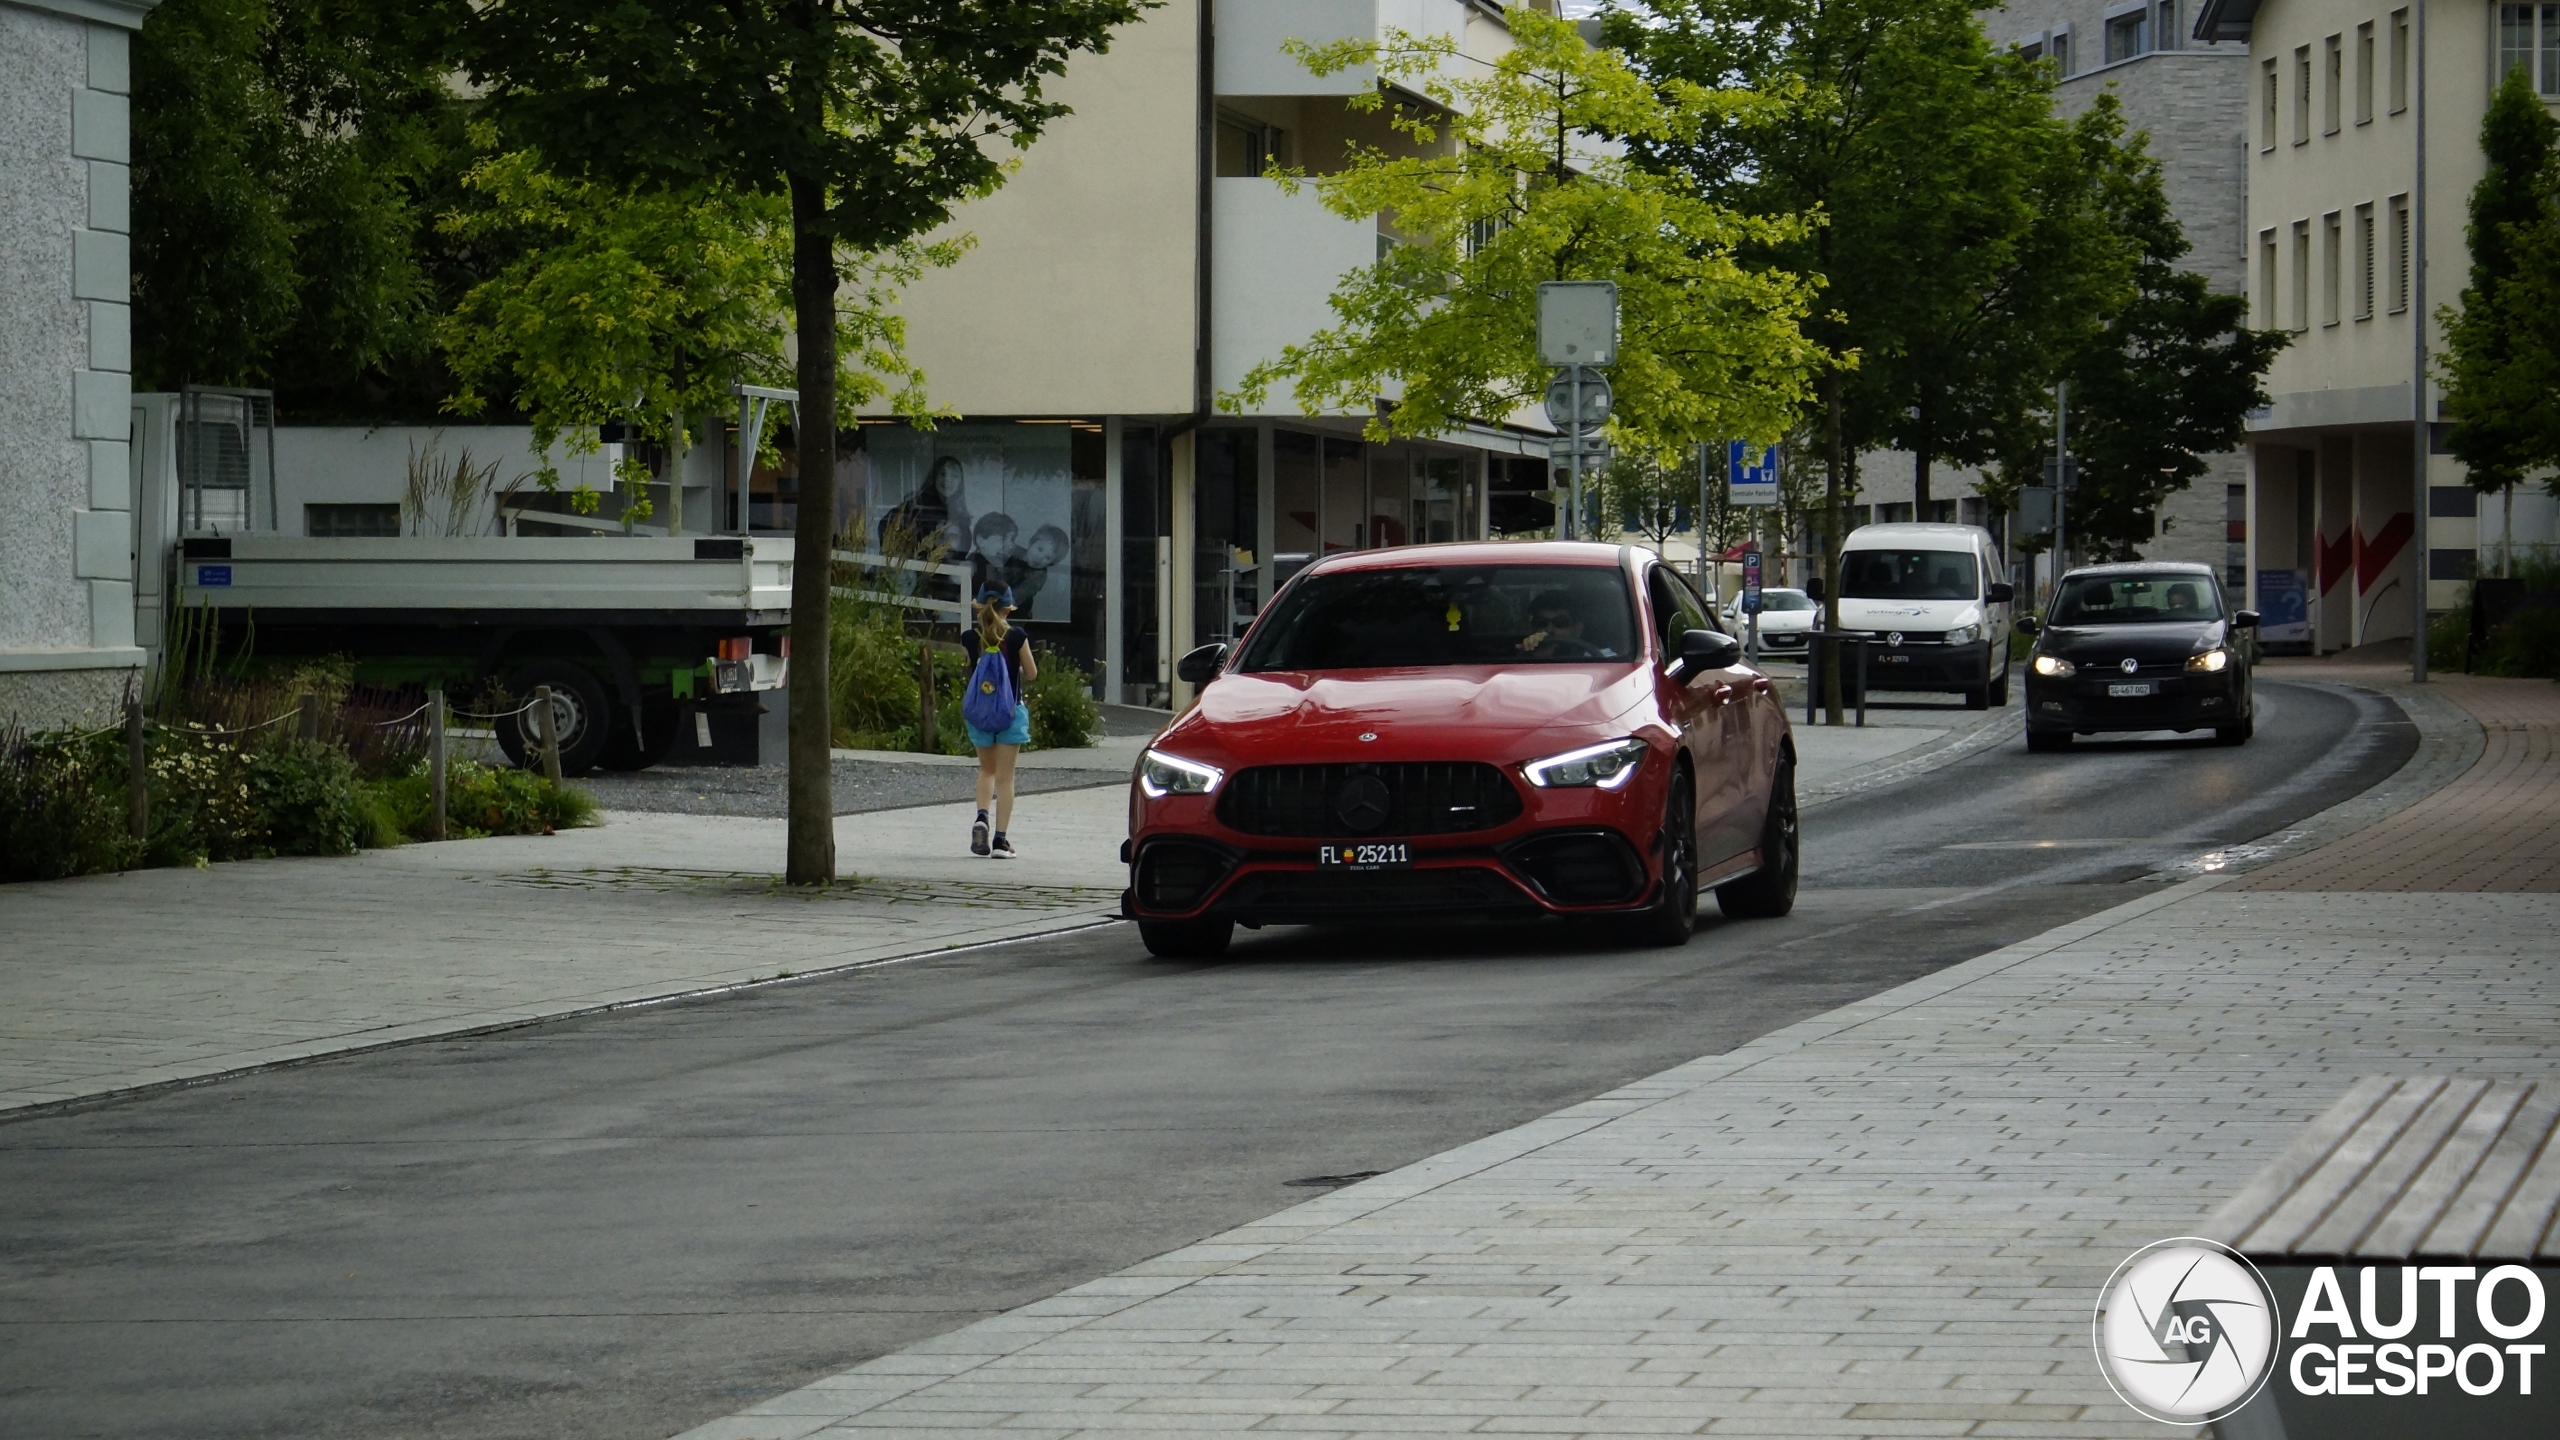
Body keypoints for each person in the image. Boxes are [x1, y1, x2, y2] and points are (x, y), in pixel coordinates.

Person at [961, 583, 1037, 858]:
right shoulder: (1016, 636)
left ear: (978, 606)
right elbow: (1031, 673)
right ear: (1008, 607)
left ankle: (981, 816)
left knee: (987, 771)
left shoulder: (970, 637)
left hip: (980, 715)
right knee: (1006, 779)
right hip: (1010, 713)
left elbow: (969, 670)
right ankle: (1000, 841)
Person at [1516, 591, 1587, 658]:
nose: (1549, 629)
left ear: (1578, 629)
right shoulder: (1518, 659)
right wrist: (1533, 656)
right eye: (1541, 623)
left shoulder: (1594, 661)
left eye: (1560, 622)